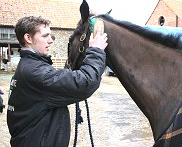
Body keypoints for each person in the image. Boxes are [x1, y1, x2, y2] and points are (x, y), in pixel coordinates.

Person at [7, 16, 108, 147]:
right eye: (45, 36)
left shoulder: (29, 66)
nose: (51, 41)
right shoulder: (35, 72)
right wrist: (96, 50)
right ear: (28, 38)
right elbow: (85, 82)